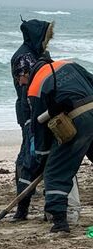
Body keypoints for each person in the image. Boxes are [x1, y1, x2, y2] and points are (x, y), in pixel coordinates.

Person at [17, 54, 93, 233]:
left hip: (78, 120)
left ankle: (60, 222)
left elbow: (39, 128)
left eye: (19, 77)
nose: (20, 83)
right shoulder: (68, 64)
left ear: (26, 72)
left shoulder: (35, 88)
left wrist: (42, 157)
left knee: (55, 171)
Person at [9, 18, 55, 221]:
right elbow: (26, 89)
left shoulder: (37, 54)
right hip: (30, 111)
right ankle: (23, 196)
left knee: (33, 150)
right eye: (46, 36)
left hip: (39, 109)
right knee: (28, 152)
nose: (48, 41)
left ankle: (27, 192)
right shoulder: (24, 58)